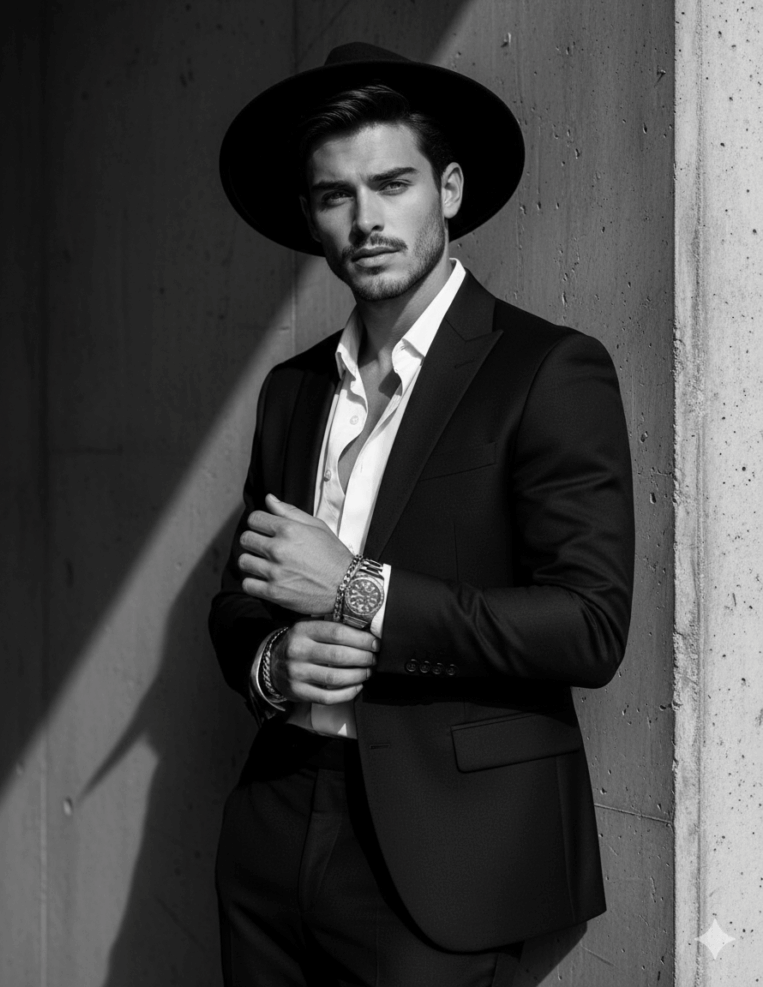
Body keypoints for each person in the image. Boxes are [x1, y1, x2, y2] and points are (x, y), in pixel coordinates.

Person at [209, 41, 635, 987]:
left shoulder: (546, 370)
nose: (365, 220)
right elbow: (238, 598)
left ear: (447, 190)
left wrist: (358, 591)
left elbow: (591, 626)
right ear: (312, 219)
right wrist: (275, 660)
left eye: (391, 184)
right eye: (334, 196)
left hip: (444, 861)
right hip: (277, 825)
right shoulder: (292, 390)